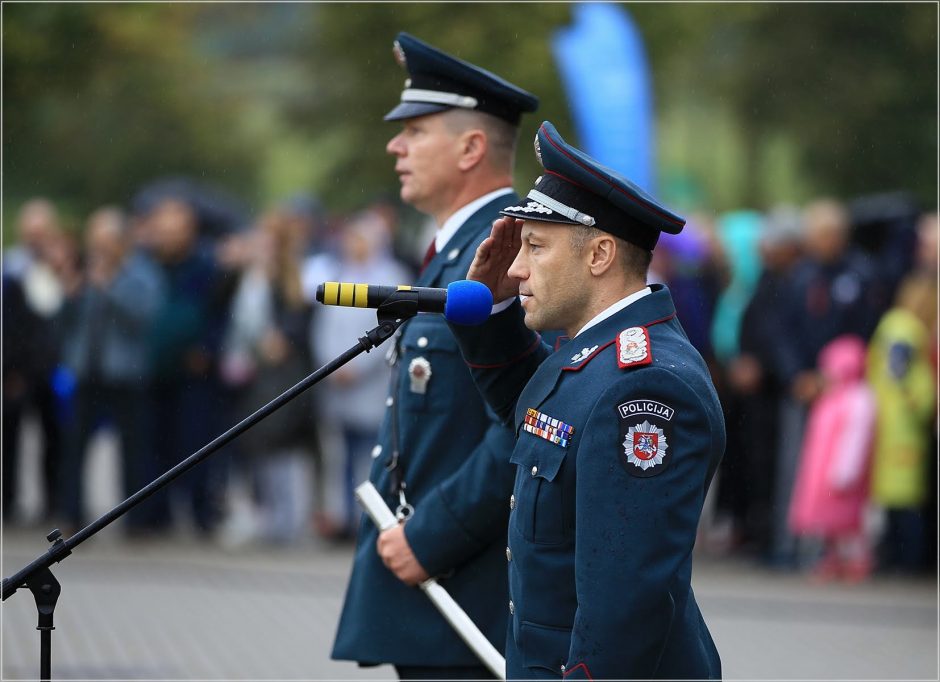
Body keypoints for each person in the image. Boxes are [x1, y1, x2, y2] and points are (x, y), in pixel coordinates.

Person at [450, 121, 725, 680]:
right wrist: (497, 312)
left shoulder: (643, 387)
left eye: (535, 247)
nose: (516, 267)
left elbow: (624, 604)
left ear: (599, 254)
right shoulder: (592, 354)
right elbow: (535, 420)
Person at [331, 32, 538, 679]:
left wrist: (433, 534)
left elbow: (537, 415)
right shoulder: (456, 247)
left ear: (472, 147)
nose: (395, 146)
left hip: (471, 585)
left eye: (415, 131)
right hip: (437, 591)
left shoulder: (509, 252)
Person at [56, 207, 165, 534]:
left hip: (125, 375)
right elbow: (64, 322)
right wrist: (69, 294)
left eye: (105, 241)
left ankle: (136, 518)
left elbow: (143, 316)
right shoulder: (86, 273)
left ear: (121, 242)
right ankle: (72, 513)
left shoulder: (141, 273)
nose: (98, 249)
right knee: (75, 447)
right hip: (87, 373)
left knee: (133, 449)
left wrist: (110, 286)